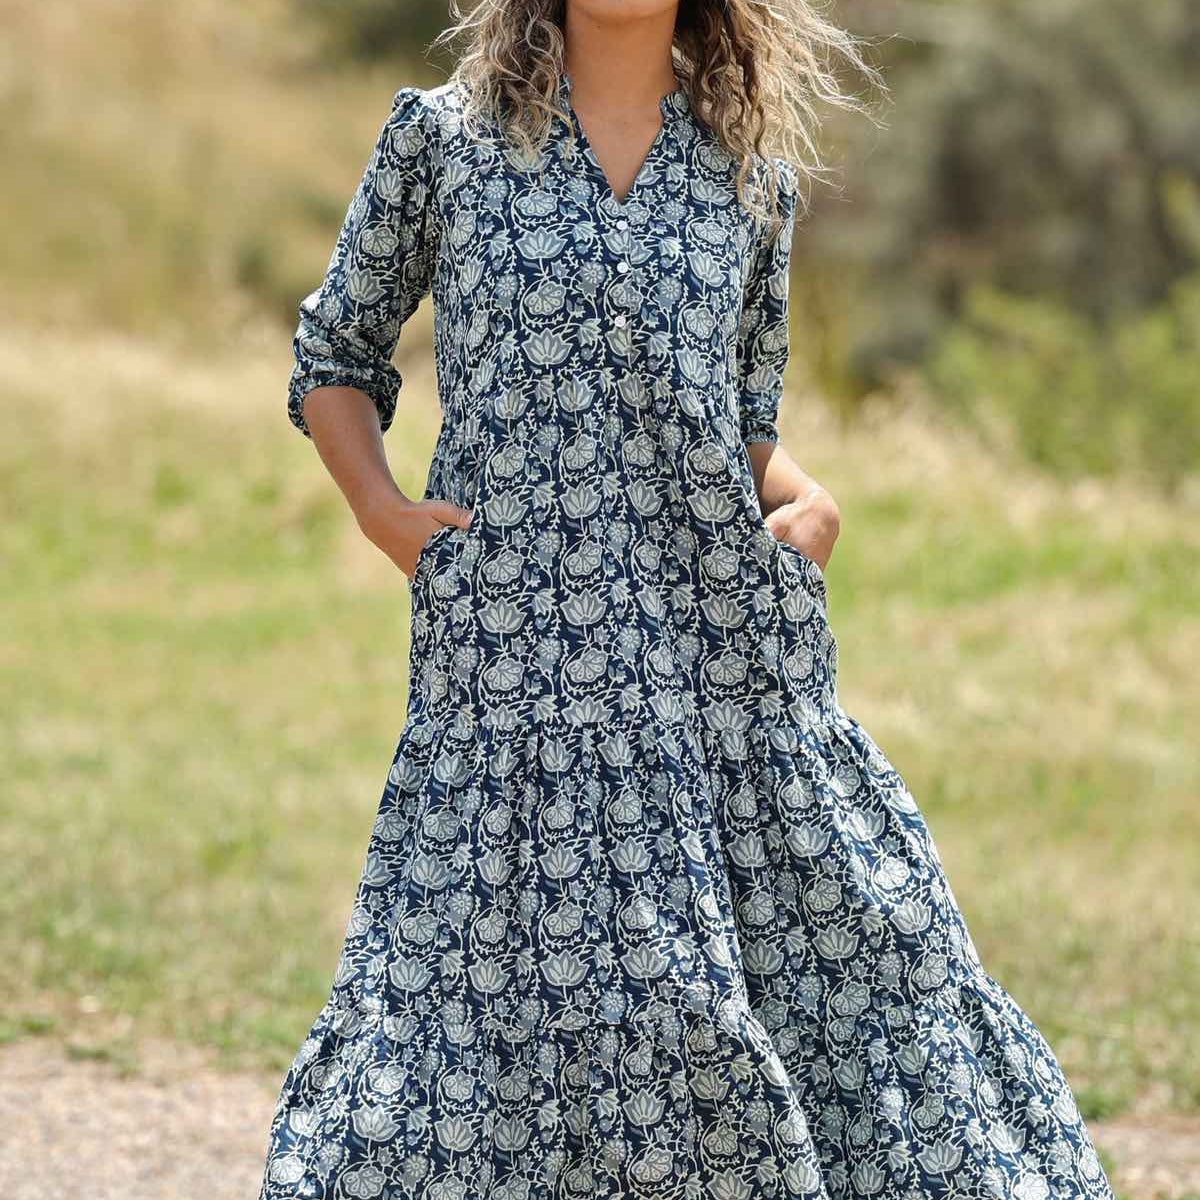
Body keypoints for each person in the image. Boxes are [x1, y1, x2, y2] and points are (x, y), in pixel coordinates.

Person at [257, 2, 1118, 1197]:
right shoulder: (444, 144)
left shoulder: (748, 177)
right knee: (465, 1008)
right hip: (516, 661)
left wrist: (809, 499)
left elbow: (734, 428)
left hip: (711, 660)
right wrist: (383, 514)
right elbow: (335, 359)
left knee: (840, 960)